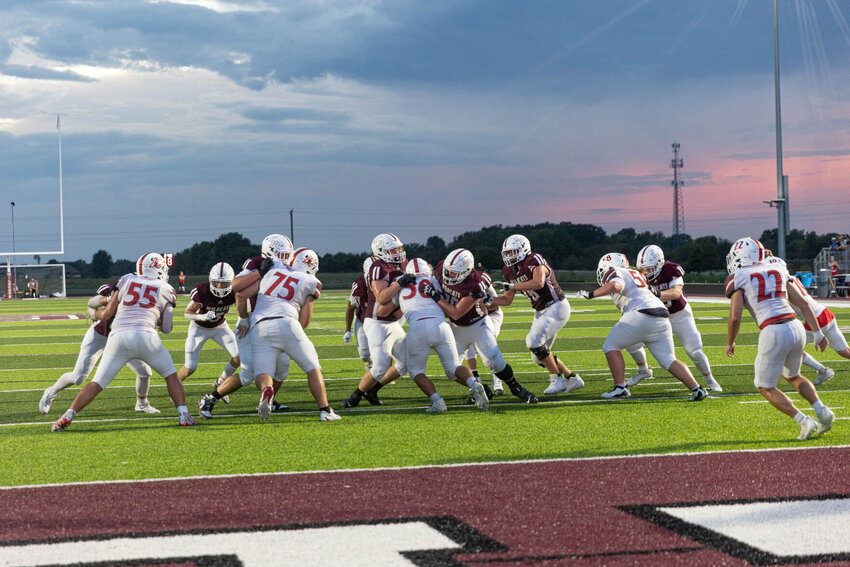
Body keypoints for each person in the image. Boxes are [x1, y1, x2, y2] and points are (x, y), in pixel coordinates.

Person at [51, 253, 196, 431]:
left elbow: (106, 315)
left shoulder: (127, 280)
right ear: (159, 269)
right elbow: (166, 328)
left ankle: (66, 416)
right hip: (146, 336)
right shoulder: (166, 288)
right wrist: (156, 317)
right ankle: (183, 415)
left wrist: (93, 314)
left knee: (96, 383)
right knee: (171, 376)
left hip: (118, 336)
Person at [725, 237, 834, 440]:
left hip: (773, 330)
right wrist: (818, 334)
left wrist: (730, 341)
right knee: (793, 375)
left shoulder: (738, 276)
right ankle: (822, 410)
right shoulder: (777, 269)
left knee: (765, 386)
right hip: (795, 327)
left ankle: (804, 421)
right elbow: (803, 303)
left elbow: (735, 316)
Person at [215, 247, 339, 421]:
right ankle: (325, 410)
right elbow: (304, 321)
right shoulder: (310, 281)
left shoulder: (271, 272)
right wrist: (290, 340)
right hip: (287, 322)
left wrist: (243, 318)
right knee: (312, 367)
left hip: (259, 327)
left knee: (262, 373)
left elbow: (241, 295)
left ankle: (267, 390)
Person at [578, 253, 708, 402]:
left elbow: (615, 285)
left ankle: (620, 387)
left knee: (610, 346)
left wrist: (591, 294)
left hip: (642, 314)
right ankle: (697, 388)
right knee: (669, 359)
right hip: (662, 315)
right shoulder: (636, 273)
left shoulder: (617, 272)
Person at [197, 234, 294, 417]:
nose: (285, 259)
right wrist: (243, 317)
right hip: (250, 322)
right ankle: (210, 398)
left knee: (282, 367)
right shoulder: (257, 263)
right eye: (281, 255)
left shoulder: (289, 269)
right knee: (248, 373)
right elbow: (236, 287)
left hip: (273, 323)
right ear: (269, 252)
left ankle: (269, 400)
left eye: (287, 254)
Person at [380, 258, 488, 412]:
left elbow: (382, 311)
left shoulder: (400, 283)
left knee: (417, 372)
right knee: (454, 366)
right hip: (441, 326)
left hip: (417, 328)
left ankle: (438, 402)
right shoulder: (436, 282)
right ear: (427, 271)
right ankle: (474, 384)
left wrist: (401, 301)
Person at [39, 282, 160, 416]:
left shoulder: (149, 292)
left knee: (144, 372)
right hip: (100, 336)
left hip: (121, 339)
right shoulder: (122, 286)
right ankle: (51, 391)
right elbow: (92, 302)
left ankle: (142, 404)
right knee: (78, 377)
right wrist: (102, 305)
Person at [436, 248, 538, 404]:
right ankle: (479, 388)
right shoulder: (442, 268)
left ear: (466, 271)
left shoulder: (476, 282)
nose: (448, 276)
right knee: (451, 369)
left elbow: (457, 313)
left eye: (454, 273)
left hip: (478, 324)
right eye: (448, 271)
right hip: (456, 328)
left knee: (494, 360)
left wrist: (435, 297)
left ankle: (516, 388)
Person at [491, 234, 583, 396]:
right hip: (541, 310)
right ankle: (572, 377)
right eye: (507, 253)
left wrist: (511, 285)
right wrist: (486, 300)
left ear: (523, 249)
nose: (509, 256)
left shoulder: (534, 259)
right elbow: (506, 300)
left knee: (533, 341)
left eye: (512, 252)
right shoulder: (508, 271)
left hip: (556, 306)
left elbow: (538, 282)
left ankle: (557, 379)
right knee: (538, 356)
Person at [634, 245, 722, 392]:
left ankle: (709, 378)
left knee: (694, 351)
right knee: (630, 339)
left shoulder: (670, 269)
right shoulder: (640, 276)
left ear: (659, 263)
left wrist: (655, 293)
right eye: (642, 269)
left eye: (649, 269)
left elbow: (675, 293)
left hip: (679, 315)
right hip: (658, 318)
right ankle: (643, 369)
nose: (645, 273)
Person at [340, 233, 409, 409]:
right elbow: (382, 297)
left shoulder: (403, 264)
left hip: (393, 321)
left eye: (398, 249)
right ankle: (354, 397)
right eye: (393, 250)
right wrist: (401, 283)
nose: (398, 253)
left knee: (406, 362)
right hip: (377, 321)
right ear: (381, 251)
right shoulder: (378, 267)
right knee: (380, 365)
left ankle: (373, 390)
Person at [765, 254, 850, 385]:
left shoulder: (780, 284)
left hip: (813, 319)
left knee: (790, 350)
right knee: (844, 351)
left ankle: (823, 370)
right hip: (824, 312)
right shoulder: (792, 278)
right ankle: (823, 371)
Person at [176, 262, 240, 400]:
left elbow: (243, 308)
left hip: (220, 327)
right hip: (199, 328)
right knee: (190, 367)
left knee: (239, 357)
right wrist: (202, 316)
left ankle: (221, 382)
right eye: (217, 283)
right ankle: (174, 387)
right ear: (211, 280)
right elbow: (187, 313)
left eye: (224, 283)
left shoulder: (236, 290)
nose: (220, 286)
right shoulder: (202, 290)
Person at [464, 263, 505, 395]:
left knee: (489, 341)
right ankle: (476, 380)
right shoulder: (455, 284)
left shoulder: (482, 282)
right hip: (473, 316)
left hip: (492, 314)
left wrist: (479, 307)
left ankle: (497, 379)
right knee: (467, 344)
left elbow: (495, 306)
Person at [343, 257, 373, 370]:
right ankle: (369, 363)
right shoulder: (360, 285)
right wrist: (347, 330)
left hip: (382, 320)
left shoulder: (386, 282)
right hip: (363, 320)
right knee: (364, 354)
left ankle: (384, 371)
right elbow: (351, 308)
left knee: (384, 349)